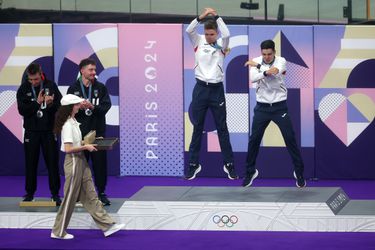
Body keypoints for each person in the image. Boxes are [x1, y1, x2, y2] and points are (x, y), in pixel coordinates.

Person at [51, 94, 124, 240]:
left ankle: (107, 225)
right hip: (73, 163)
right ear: (71, 107)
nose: (80, 106)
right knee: (69, 199)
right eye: (77, 104)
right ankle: (58, 232)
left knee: (91, 195)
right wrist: (86, 147)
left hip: (81, 162)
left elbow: (78, 144)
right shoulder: (67, 125)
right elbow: (68, 149)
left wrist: (91, 142)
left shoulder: (73, 121)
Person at [242, 39, 306, 188]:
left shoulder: (281, 61)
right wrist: (261, 69)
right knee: (254, 141)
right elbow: (253, 78)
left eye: (269, 54)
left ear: (274, 52)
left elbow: (274, 72)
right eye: (264, 54)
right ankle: (250, 172)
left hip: (279, 108)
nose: (266, 57)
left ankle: (299, 172)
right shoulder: (257, 60)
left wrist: (259, 67)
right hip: (262, 108)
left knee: (290, 139)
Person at [184, 7, 238, 180]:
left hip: (216, 91)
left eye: (212, 34)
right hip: (200, 89)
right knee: (197, 128)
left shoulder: (222, 44)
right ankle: (193, 165)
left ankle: (229, 165)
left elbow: (227, 34)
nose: (209, 37)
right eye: (207, 34)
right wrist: (201, 17)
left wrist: (216, 16)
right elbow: (189, 30)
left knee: (222, 128)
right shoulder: (198, 41)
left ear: (216, 33)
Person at [67, 58, 112, 206]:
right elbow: (66, 110)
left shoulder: (101, 88)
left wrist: (92, 107)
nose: (94, 72)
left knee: (100, 166)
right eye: (91, 70)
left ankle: (102, 193)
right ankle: (79, 195)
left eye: (94, 69)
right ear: (82, 70)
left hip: (97, 134)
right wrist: (78, 107)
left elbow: (106, 107)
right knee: (80, 167)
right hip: (79, 136)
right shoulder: (73, 89)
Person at [16, 63, 62, 205]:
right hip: (31, 132)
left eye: (36, 79)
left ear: (40, 74)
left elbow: (60, 106)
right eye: (31, 79)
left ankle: (55, 194)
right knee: (31, 163)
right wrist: (37, 102)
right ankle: (29, 194)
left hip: (49, 131)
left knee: (52, 163)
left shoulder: (51, 86)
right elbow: (22, 110)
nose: (34, 82)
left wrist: (51, 104)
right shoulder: (23, 89)